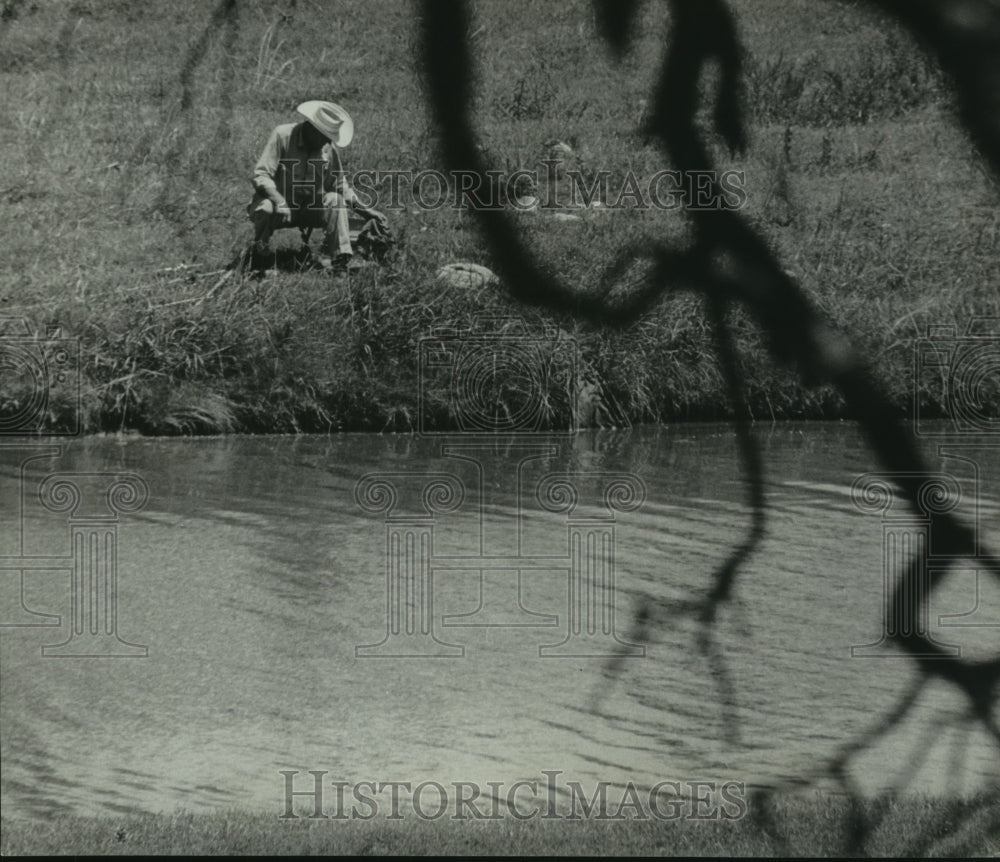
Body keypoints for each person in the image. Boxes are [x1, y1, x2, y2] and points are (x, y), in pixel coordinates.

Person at [247, 100, 386, 272]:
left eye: (330, 138)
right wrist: (280, 201)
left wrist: (366, 211)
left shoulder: (328, 149)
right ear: (312, 128)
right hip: (278, 207)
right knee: (265, 208)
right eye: (325, 136)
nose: (327, 142)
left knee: (335, 200)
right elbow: (261, 175)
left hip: (308, 209)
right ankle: (259, 258)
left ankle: (340, 260)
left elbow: (340, 185)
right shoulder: (282, 135)